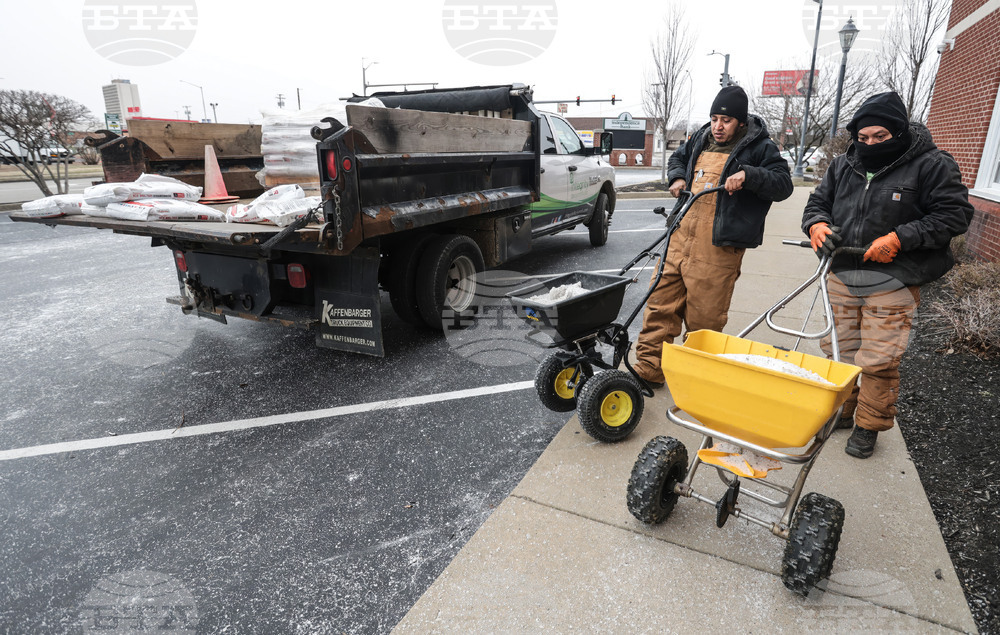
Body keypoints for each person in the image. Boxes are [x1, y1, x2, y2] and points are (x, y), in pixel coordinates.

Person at [801, 91, 973, 459]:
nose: (870, 144)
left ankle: (868, 426)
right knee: (837, 352)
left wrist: (900, 237)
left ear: (898, 132)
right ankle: (844, 412)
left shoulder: (932, 165)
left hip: (893, 280)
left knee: (878, 360)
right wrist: (816, 225)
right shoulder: (843, 165)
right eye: (863, 138)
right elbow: (817, 203)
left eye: (880, 137)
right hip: (843, 274)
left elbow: (954, 215)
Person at [633, 85, 793, 386]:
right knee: (660, 305)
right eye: (715, 118)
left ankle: (692, 379)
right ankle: (650, 368)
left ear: (741, 122)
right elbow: (677, 159)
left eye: (726, 120)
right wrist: (678, 177)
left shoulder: (760, 147)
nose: (718, 126)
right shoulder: (700, 138)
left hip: (719, 246)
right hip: (680, 235)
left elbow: (783, 184)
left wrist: (749, 175)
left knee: (704, 317)